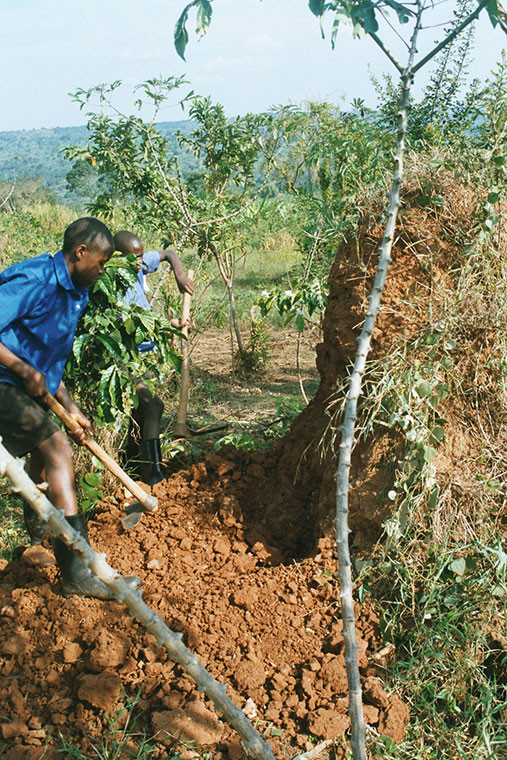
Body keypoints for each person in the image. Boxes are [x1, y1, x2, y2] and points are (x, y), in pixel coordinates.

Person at [0, 217, 140, 600]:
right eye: (101, 261)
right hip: (3, 379)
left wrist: (71, 406)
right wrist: (20, 367)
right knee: (57, 447)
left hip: (23, 381)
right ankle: (77, 573)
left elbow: (49, 360)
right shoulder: (36, 280)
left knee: (47, 446)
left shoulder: (77, 289)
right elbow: (28, 364)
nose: (103, 269)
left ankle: (40, 532)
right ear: (80, 252)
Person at [113, 231, 193, 485]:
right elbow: (129, 327)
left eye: (141, 257)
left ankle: (130, 462)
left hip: (144, 356)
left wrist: (180, 276)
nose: (140, 263)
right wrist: (169, 324)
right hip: (124, 357)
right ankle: (154, 473)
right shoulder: (110, 283)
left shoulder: (136, 264)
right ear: (117, 258)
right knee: (152, 406)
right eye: (134, 259)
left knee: (140, 412)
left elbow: (169, 254)